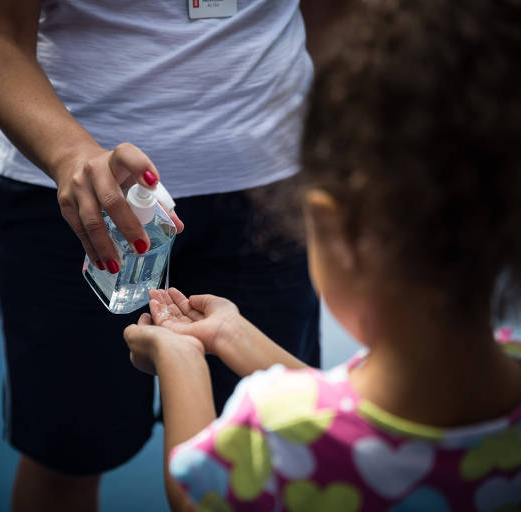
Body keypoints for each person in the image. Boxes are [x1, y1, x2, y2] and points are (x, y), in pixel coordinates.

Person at [123, 0, 521, 509]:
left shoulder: (273, 429)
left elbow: (194, 495)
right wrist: (231, 334)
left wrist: (181, 361)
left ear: (340, 230)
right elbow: (361, 414)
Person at [0, 1, 350, 509]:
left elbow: (338, 18)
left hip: (270, 193)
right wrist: (69, 154)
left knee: (273, 450)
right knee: (65, 457)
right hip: (76, 199)